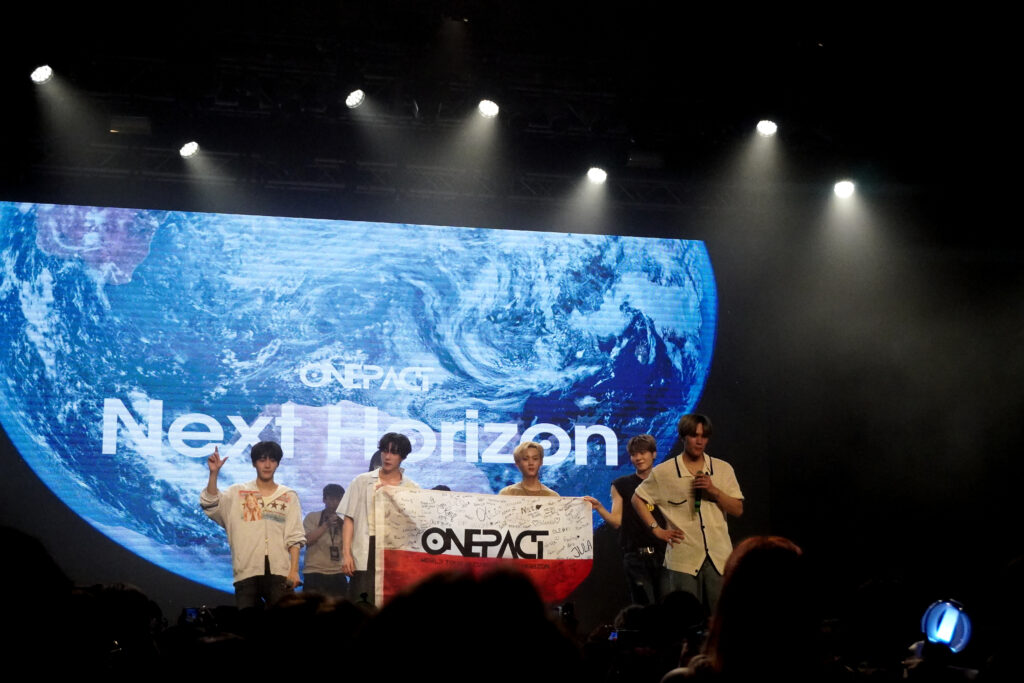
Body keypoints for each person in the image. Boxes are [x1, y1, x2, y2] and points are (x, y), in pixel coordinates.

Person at [631, 414, 743, 615]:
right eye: (694, 435)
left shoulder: (722, 469)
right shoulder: (664, 472)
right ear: (683, 437)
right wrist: (657, 530)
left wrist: (714, 491)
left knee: (722, 618)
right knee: (684, 619)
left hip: (719, 557)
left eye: (704, 436)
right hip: (683, 558)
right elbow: (637, 498)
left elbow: (737, 509)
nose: (699, 441)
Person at [200, 440, 305, 609]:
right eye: (262, 460)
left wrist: (294, 571)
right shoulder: (238, 492)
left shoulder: (288, 495)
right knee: (248, 622)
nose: (267, 465)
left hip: (279, 571)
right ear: (254, 463)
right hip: (247, 570)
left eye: (272, 460)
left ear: (278, 463)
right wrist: (214, 474)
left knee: (282, 621)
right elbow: (211, 504)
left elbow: (295, 536)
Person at [584, 434, 667, 605]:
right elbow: (616, 522)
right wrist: (599, 507)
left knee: (667, 605)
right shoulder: (621, 484)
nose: (638, 458)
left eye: (642, 453)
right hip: (636, 557)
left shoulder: (667, 483)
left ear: (654, 454)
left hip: (666, 555)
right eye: (634, 454)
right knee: (643, 606)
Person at [340, 432, 419, 604]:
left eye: (394, 452)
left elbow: (414, 526)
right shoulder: (361, 481)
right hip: (366, 547)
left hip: (394, 550)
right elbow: (349, 519)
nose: (388, 456)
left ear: (403, 456)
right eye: (385, 451)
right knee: (361, 601)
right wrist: (346, 554)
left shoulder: (411, 488)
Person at [302, 483, 347, 597]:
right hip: (314, 571)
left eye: (339, 499)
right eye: (331, 499)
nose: (335, 502)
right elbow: (306, 540)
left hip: (338, 572)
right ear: (324, 499)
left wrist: (344, 525)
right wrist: (326, 525)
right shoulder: (312, 517)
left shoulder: (346, 521)